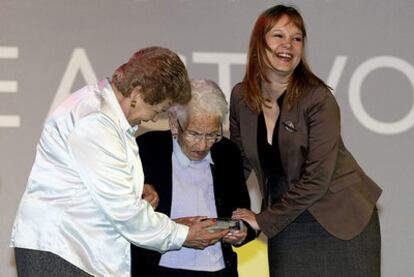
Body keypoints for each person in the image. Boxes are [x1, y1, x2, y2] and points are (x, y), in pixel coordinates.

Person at [10, 47, 227, 277]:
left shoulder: (99, 110)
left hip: (72, 249)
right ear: (136, 94)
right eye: (158, 109)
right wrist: (184, 234)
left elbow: (86, 180)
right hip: (64, 251)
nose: (153, 118)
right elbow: (125, 214)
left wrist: (134, 189)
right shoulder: (96, 122)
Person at [230, 5, 382, 277]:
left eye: (297, 38)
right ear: (258, 44)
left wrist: (261, 220)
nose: (288, 45)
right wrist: (212, 204)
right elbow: (238, 163)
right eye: (278, 35)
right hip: (287, 219)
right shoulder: (241, 97)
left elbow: (317, 179)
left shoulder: (318, 99)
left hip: (342, 220)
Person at [131, 80, 256, 277]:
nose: (202, 145)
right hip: (159, 270)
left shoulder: (227, 153)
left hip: (217, 269)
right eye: (194, 134)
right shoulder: (148, 149)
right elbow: (129, 216)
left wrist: (244, 232)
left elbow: (242, 212)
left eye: (213, 135)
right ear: (174, 122)